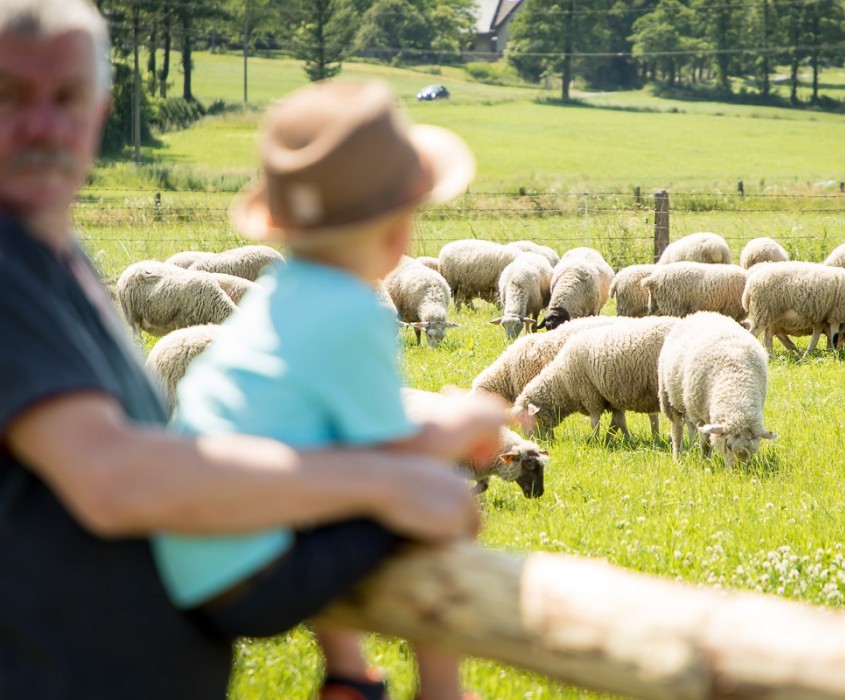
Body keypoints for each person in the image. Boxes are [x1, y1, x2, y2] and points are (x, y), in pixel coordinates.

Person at [0, 2, 499, 698]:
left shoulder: (50, 252)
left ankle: (351, 673)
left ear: (102, 108)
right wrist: (385, 478)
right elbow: (111, 478)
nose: (43, 124)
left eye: (67, 96)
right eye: (10, 95)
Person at [152, 80, 490, 700]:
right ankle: (441, 687)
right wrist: (468, 422)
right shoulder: (356, 311)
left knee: (337, 484)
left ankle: (348, 674)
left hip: (185, 561)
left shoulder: (277, 295)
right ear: (397, 230)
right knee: (445, 500)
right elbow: (398, 456)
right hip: (256, 574)